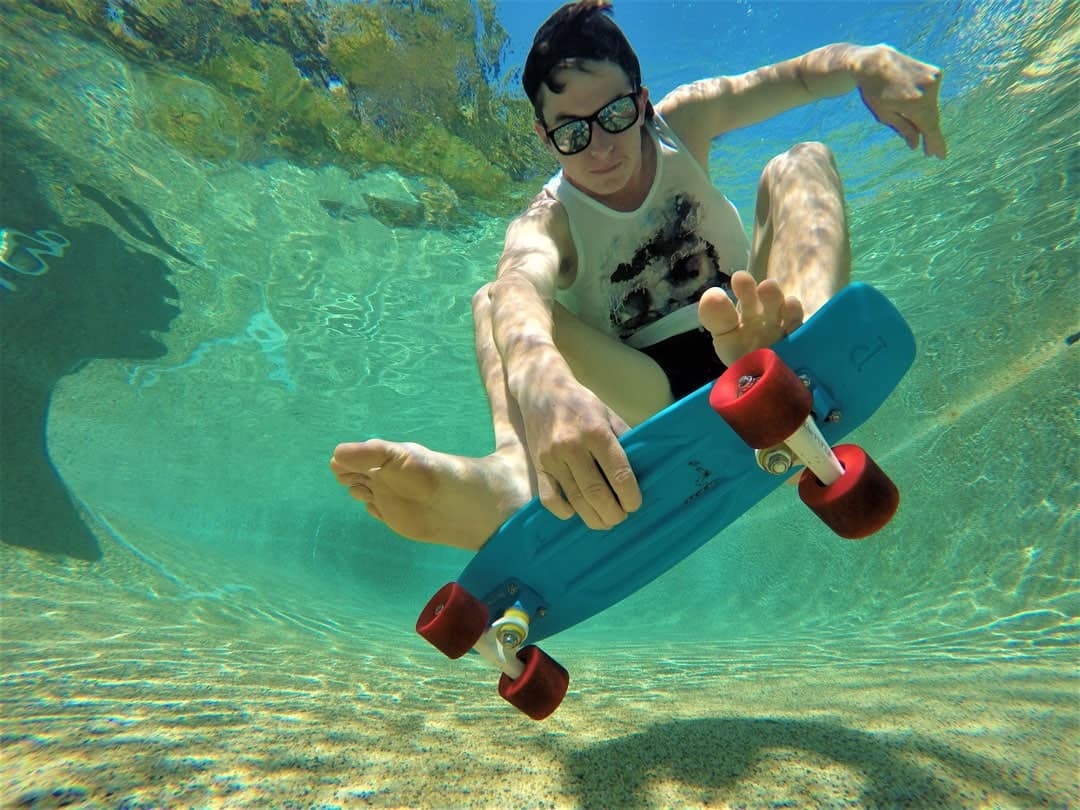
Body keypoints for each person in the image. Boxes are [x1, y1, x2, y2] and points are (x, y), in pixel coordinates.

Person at [330, 0, 946, 551]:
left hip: (764, 324)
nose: (600, 148)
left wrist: (869, 61)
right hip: (649, 393)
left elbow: (801, 76)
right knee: (497, 298)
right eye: (573, 132)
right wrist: (548, 396)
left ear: (643, 101)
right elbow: (519, 287)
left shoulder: (685, 123)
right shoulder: (550, 220)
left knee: (801, 161)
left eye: (616, 114)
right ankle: (521, 476)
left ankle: (805, 354)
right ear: (547, 140)